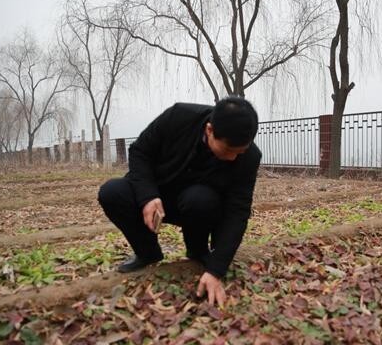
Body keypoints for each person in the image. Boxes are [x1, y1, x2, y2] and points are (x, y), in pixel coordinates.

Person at [98, 96, 261, 307]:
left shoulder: (248, 157)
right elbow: (140, 151)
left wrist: (216, 269)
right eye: (229, 151)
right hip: (160, 192)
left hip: (197, 204)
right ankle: (147, 253)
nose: (233, 158)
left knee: (201, 200)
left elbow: (238, 211)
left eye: (240, 152)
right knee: (111, 192)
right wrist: (148, 196)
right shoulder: (179, 117)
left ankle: (197, 250)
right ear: (210, 130)